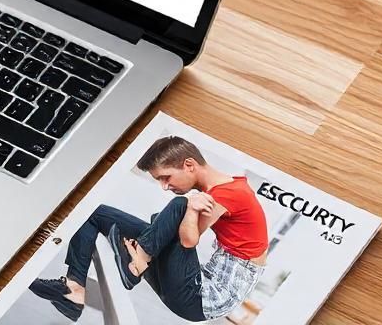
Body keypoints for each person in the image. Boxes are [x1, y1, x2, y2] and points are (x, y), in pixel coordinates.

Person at [28, 136, 267, 322]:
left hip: (200, 299)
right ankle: (73, 289)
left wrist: (191, 208)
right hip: (187, 286)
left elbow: (188, 241)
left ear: (189, 165)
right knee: (94, 213)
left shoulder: (228, 193)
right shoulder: (222, 189)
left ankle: (137, 262)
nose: (164, 186)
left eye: (166, 177)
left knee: (178, 206)